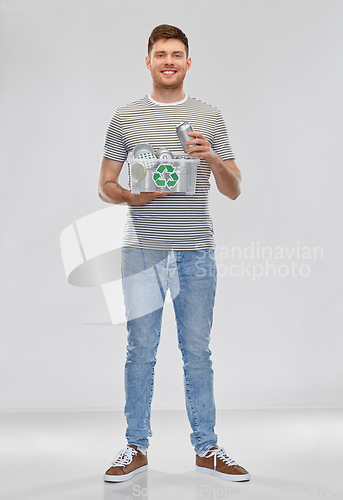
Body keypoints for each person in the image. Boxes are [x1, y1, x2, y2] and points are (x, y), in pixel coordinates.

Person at [98, 24, 250, 483]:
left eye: (176, 54)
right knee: (140, 350)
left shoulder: (209, 117)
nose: (168, 61)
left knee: (197, 351)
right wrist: (128, 196)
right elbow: (104, 185)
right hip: (142, 250)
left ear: (188, 62)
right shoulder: (126, 117)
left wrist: (213, 159)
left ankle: (207, 447)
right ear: (148, 62)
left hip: (195, 251)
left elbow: (235, 190)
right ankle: (135, 447)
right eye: (160, 54)